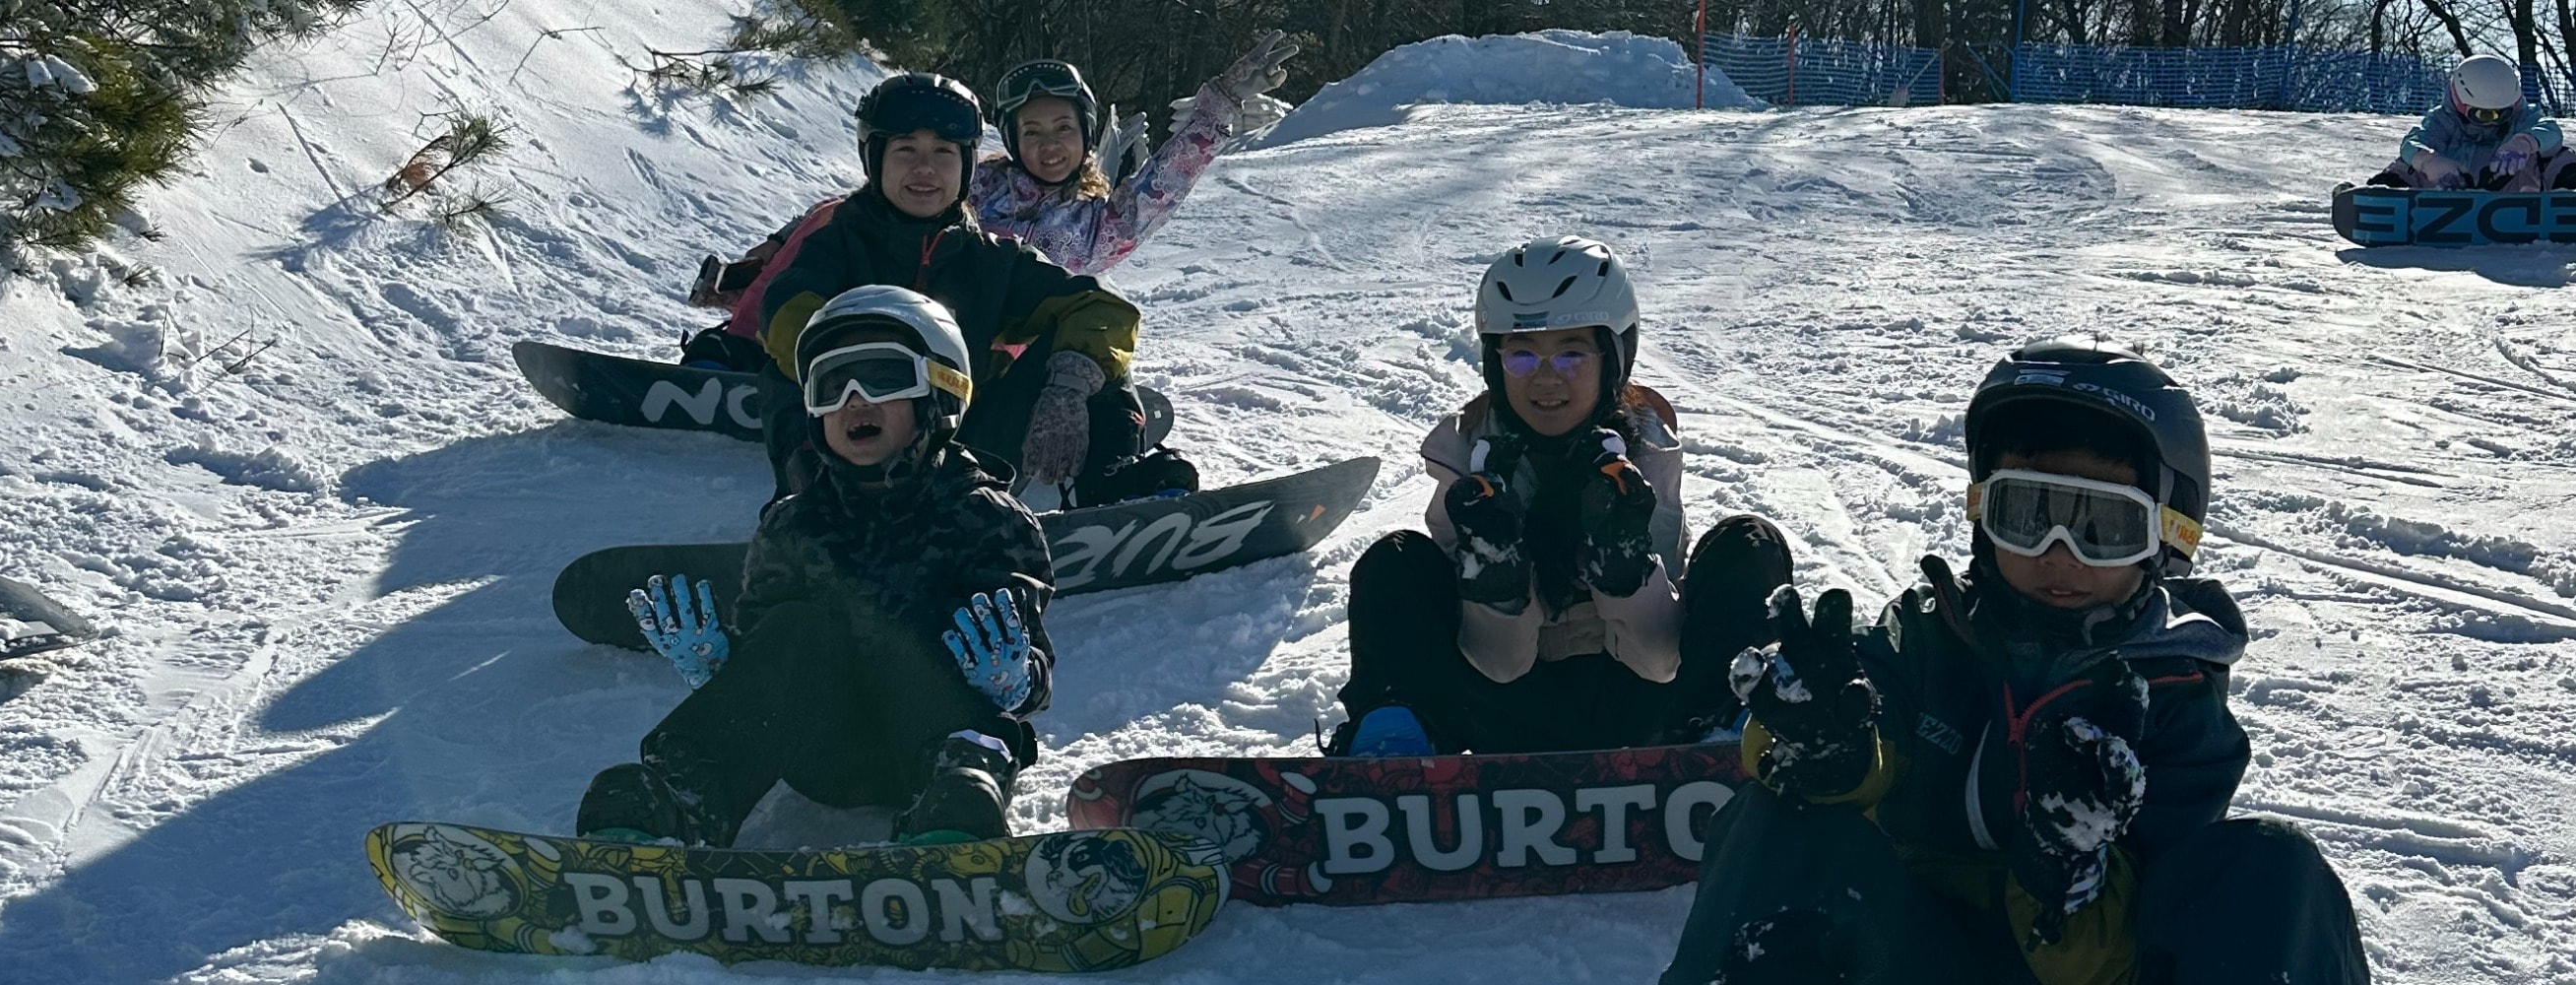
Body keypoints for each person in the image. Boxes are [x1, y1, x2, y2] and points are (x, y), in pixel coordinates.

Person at [1663, 339, 2370, 985]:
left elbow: (2113, 957)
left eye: (2102, 526)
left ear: (2167, 537)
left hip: (2086, 967)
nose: (2058, 552)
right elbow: (1869, 725)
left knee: (2274, 870)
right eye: (2026, 515)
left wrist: (2062, 868)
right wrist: (1827, 751)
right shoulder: (1928, 634)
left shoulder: (2178, 698)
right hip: (1916, 956)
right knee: (1777, 819)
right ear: (1981, 517)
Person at [576, 286, 1055, 848]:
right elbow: (770, 653)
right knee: (797, 626)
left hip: (941, 744)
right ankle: (685, 794)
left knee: (927, 630)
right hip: (826, 752)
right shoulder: (794, 527)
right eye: (832, 385)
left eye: (882, 377)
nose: (855, 400)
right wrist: (719, 662)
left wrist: (1010, 680)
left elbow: (1030, 661)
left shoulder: (989, 520)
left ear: (940, 391)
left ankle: (952, 816)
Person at [1326, 235, 1795, 757]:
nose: (1546, 380)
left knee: (1748, 544)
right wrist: (1499, 585)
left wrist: (1626, 574)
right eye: (1522, 357)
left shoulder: (1644, 451)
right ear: (1494, 362)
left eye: (1572, 354)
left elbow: (1659, 660)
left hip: (1645, 708)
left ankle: (1730, 738)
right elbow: (1499, 665)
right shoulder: (1467, 458)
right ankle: (1392, 753)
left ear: (1613, 358)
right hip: (1505, 713)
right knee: (1395, 563)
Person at [683, 73, 1193, 508]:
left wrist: (1068, 384)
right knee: (790, 363)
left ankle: (1114, 484)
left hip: (958, 451)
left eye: (943, 153)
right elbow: (788, 307)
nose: (925, 169)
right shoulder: (838, 243)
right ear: (875, 160)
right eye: (905, 150)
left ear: (966, 166)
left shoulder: (992, 258)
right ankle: (816, 508)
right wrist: (851, 368)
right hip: (848, 441)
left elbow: (1101, 305)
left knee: (1095, 348)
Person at [976, 32, 1299, 275]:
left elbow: (1163, 183)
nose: (1050, 144)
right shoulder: (974, 190)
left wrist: (1220, 104)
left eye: (1064, 128)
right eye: (1032, 132)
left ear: (1086, 133)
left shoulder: (1099, 227)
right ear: (1012, 140)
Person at [2368, 55, 2576, 192]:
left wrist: (2525, 142)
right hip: (2450, 188)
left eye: (2503, 113)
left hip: (2515, 190)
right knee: (2409, 162)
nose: (2494, 122)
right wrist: (2430, 161)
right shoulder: (2443, 120)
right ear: (2460, 104)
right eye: (2484, 115)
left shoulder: (2523, 117)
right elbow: (2413, 143)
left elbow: (2551, 131)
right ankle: (2386, 192)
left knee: (2555, 154)